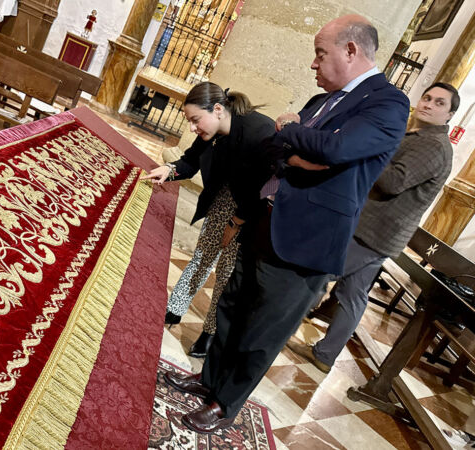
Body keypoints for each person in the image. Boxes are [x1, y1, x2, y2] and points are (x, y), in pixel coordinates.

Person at [164, 14, 410, 433]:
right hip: (265, 218)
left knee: (261, 329)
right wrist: (296, 151)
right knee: (231, 308)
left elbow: (336, 149)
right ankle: (209, 382)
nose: (313, 63)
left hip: (307, 239)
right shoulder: (321, 101)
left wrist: (294, 129)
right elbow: (275, 147)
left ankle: (225, 404)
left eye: (321, 53)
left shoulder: (387, 103)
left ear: (351, 50)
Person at [288, 82, 459, 373]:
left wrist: (369, 150)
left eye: (439, 103)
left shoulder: (433, 145)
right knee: (352, 295)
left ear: (450, 115)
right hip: (378, 232)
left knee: (316, 274)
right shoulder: (418, 136)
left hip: (373, 232)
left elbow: (393, 182)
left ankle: (281, 328)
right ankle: (325, 355)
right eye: (427, 97)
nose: (429, 104)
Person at [142, 82, 276, 358]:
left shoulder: (259, 131)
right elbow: (190, 161)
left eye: (195, 120)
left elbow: (262, 188)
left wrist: (235, 223)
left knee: (226, 273)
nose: (192, 128)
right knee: (202, 255)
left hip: (251, 211)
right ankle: (175, 308)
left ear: (217, 109)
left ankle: (211, 331)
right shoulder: (210, 131)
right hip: (225, 198)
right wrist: (169, 169)